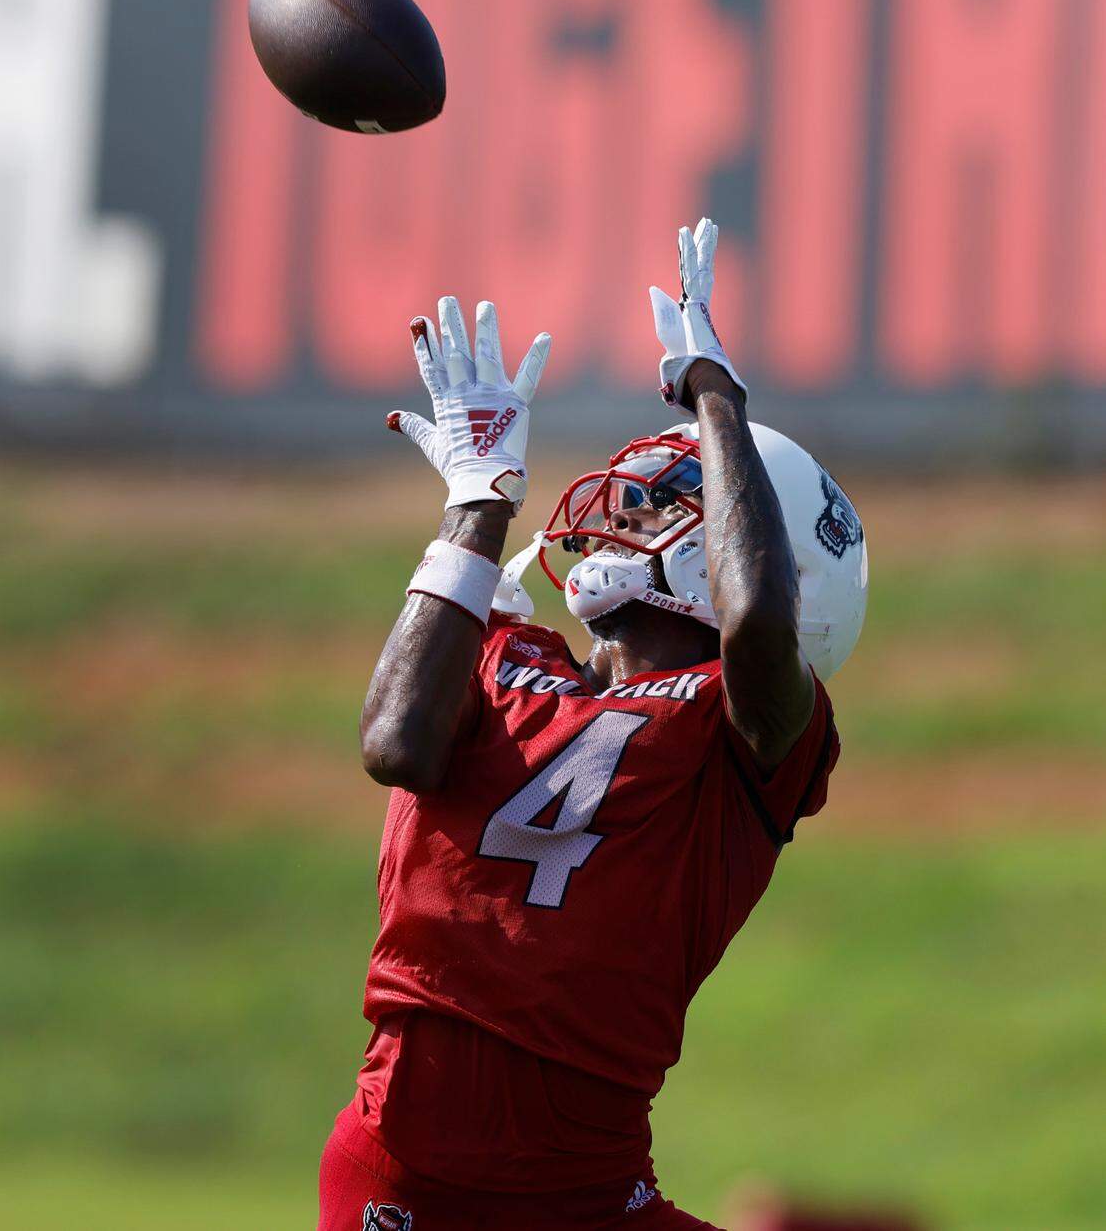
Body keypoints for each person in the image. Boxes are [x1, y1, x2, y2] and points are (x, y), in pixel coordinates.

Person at [317, 219, 867, 1231]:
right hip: (401, 1169)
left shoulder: (746, 737)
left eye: (669, 503)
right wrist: (476, 503)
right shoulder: (507, 656)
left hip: (580, 1194)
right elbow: (393, 742)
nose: (628, 507)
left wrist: (716, 398)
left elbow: (754, 625)